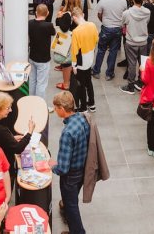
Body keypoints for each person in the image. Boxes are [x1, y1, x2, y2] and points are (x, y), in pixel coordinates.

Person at [50, 91, 90, 234]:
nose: (55, 110)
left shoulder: (67, 133)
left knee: (72, 205)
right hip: (82, 169)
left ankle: (78, 231)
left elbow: (63, 168)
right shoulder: (82, 118)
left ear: (61, 108)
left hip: (70, 176)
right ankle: (65, 209)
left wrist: (52, 165)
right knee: (71, 201)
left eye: (55, 108)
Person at [92, 0, 127, 81]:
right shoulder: (123, 2)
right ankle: (109, 73)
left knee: (101, 50)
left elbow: (99, 14)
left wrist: (104, 21)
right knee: (113, 51)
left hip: (106, 28)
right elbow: (124, 15)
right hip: (117, 29)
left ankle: (96, 71)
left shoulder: (104, 0)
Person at [119, 0, 151, 94]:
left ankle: (131, 86)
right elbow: (147, 22)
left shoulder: (126, 13)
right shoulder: (147, 12)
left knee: (132, 64)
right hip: (143, 42)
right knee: (143, 63)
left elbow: (122, 24)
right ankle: (141, 82)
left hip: (131, 42)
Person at [54, 0, 82, 92]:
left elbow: (63, 28)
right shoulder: (80, 12)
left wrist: (58, 18)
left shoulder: (67, 15)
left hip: (67, 43)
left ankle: (66, 84)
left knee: (66, 63)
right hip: (77, 40)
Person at [70, 8, 97, 112]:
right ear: (83, 15)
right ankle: (92, 103)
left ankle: (83, 107)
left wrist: (74, 65)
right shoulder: (93, 25)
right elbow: (96, 40)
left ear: (74, 17)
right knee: (89, 82)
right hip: (90, 58)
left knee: (81, 85)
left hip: (81, 61)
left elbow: (74, 51)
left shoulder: (76, 32)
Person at [28, 4, 56, 98]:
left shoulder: (30, 23)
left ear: (36, 13)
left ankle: (31, 99)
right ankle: (39, 104)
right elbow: (54, 32)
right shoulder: (48, 25)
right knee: (41, 83)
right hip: (43, 59)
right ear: (47, 13)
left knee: (32, 80)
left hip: (32, 56)